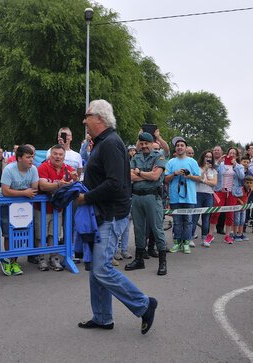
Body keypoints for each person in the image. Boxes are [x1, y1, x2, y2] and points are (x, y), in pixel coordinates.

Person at [75, 99, 157, 334]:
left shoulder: (110, 143)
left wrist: (85, 198)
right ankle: (102, 317)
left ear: (99, 118)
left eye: (87, 115)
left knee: (101, 269)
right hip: (103, 214)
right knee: (96, 268)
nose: (84, 120)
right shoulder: (103, 142)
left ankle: (144, 304)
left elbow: (115, 184)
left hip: (109, 215)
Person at [125, 132, 168, 275]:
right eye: (141, 143)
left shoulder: (158, 156)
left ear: (151, 143)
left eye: (146, 143)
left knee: (157, 229)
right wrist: (146, 175)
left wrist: (139, 173)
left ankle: (162, 262)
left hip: (152, 197)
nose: (144, 146)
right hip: (136, 197)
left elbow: (156, 176)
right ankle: (139, 260)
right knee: (138, 229)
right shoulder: (136, 157)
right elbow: (129, 176)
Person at [0, 145, 39, 276]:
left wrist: (25, 193)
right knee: (8, 233)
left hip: (22, 204)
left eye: (32, 157)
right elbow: (5, 191)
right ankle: (8, 260)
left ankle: (13, 260)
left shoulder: (33, 170)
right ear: (19, 158)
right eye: (28, 157)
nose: (31, 159)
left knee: (20, 233)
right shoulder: (9, 169)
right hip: (5, 204)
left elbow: (34, 189)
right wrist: (24, 193)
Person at [37, 144, 77, 271]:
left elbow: (75, 184)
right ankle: (41, 258)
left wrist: (75, 179)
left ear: (64, 156)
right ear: (50, 155)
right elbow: (43, 186)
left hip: (57, 208)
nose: (57, 157)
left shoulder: (68, 169)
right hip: (41, 208)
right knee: (41, 234)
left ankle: (54, 258)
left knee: (54, 234)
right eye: (55, 154)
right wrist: (59, 184)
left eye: (60, 154)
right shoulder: (43, 167)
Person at [164, 136, 201, 254]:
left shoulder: (192, 162)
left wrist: (188, 176)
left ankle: (186, 243)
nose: (179, 147)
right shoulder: (171, 162)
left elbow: (199, 178)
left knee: (188, 220)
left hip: (189, 197)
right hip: (175, 197)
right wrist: (174, 174)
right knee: (177, 221)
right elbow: (165, 179)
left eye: (182, 145)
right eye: (177, 146)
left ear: (186, 147)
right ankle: (176, 243)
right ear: (175, 148)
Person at [193, 150, 217, 247]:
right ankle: (190, 237)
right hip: (198, 193)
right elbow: (198, 179)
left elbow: (214, 183)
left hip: (209, 195)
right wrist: (204, 171)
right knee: (195, 216)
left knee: (206, 217)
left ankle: (204, 238)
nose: (208, 158)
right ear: (203, 157)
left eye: (210, 157)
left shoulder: (214, 171)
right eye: (206, 156)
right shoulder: (197, 168)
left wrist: (205, 181)